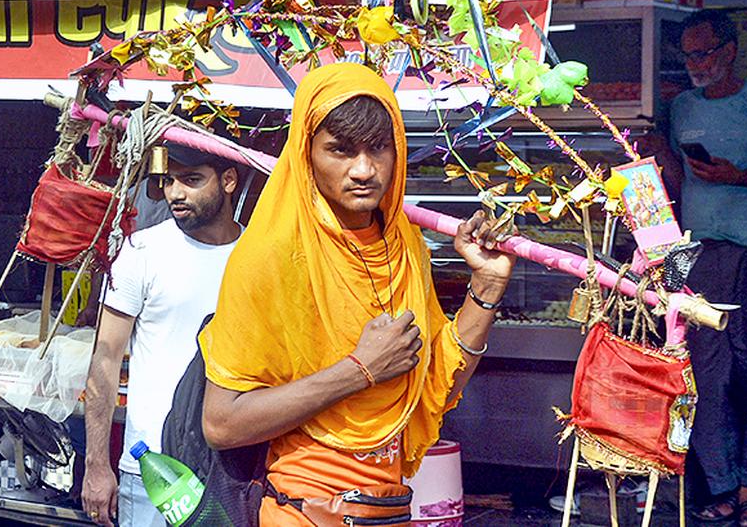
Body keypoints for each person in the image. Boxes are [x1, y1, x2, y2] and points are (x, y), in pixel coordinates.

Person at [199, 64, 515, 525]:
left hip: (388, 510)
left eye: (379, 149)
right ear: (306, 154)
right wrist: (360, 370)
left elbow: (434, 389)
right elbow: (221, 424)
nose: (364, 170)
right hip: (303, 512)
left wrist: (485, 287)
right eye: (340, 151)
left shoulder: (403, 244)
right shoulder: (270, 256)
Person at [81, 143, 242, 527]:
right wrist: (96, 464)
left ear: (229, 180)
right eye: (169, 181)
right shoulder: (141, 251)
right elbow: (104, 359)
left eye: (192, 180)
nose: (175, 193)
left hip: (232, 469)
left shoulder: (257, 255)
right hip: (154, 469)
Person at [666, 9, 747, 526]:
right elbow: (679, 184)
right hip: (698, 255)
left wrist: (737, 175)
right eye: (688, 55)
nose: (695, 64)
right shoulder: (680, 108)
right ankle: (724, 487)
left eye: (703, 53)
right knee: (706, 377)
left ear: (729, 51)